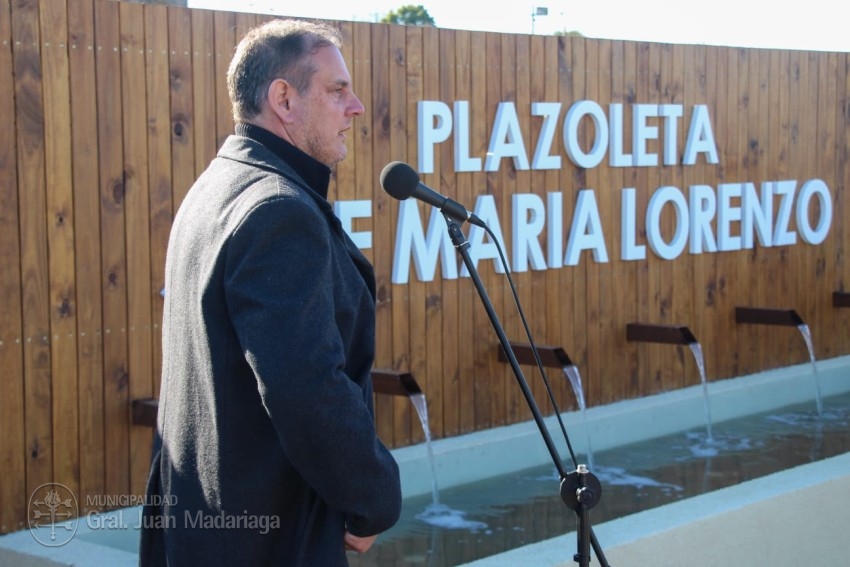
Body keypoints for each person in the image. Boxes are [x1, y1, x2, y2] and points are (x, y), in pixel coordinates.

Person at [139, 19, 401, 566]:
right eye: (336, 90)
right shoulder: (278, 210)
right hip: (266, 542)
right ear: (283, 98)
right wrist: (372, 500)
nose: (354, 107)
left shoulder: (216, 185)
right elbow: (305, 389)